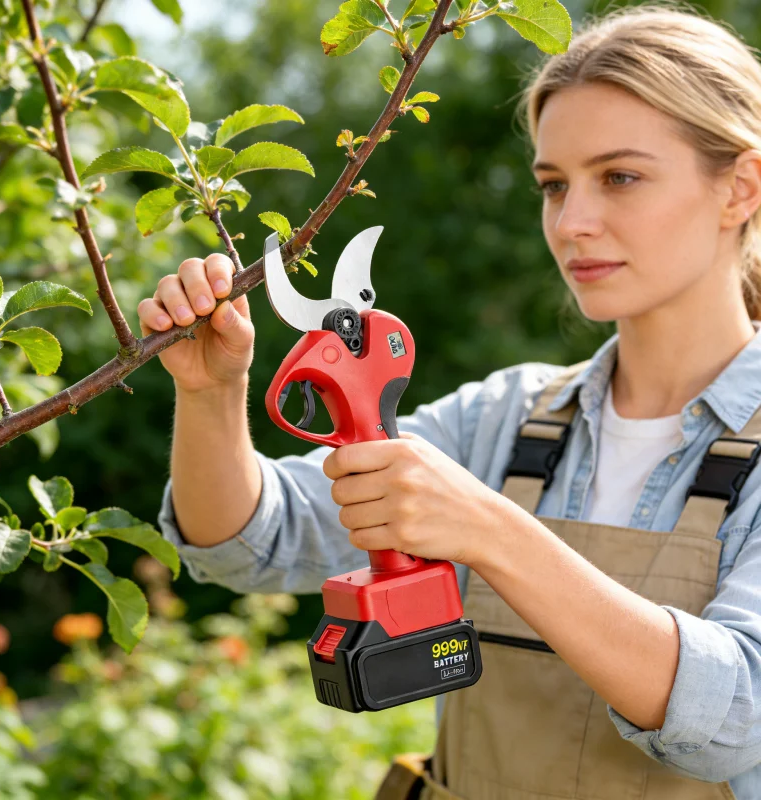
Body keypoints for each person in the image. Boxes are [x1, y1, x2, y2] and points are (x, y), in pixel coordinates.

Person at [139, 3, 761, 797]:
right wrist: (213, 393)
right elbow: (249, 544)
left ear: (740, 187)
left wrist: (493, 532)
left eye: (620, 177)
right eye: (552, 184)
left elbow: (738, 715)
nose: (572, 222)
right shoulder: (506, 417)